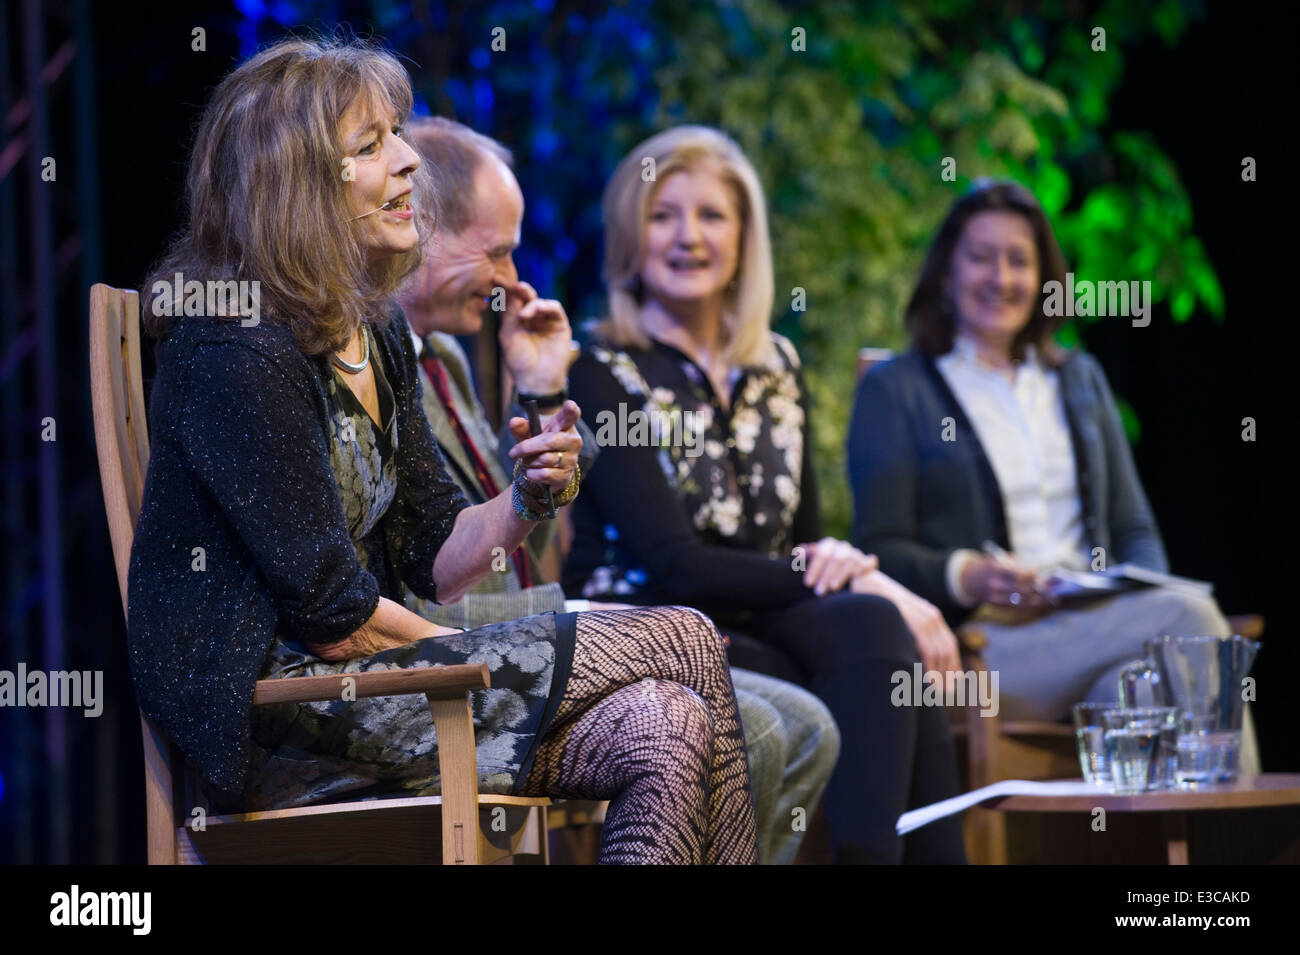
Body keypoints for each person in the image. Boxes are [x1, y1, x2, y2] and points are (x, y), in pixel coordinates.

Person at [127, 37, 757, 864]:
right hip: (283, 721)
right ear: (299, 185)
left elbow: (434, 554)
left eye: (396, 134)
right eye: (371, 146)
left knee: (671, 723)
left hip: (390, 690)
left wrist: (527, 499)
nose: (407, 162)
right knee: (682, 635)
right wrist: (476, 651)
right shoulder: (235, 349)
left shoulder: (377, 326)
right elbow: (335, 621)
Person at [395, 115, 839, 864]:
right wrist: (576, 609)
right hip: (453, 664)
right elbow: (425, 585)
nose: (511, 278)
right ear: (422, 229)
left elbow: (513, 546)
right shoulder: (366, 364)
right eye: (497, 251)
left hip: (525, 631)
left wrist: (537, 392)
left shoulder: (448, 357)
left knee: (810, 720)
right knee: (751, 714)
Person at [564, 125, 967, 863]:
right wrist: (868, 574)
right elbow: (674, 561)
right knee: (872, 636)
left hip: (760, 615)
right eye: (664, 215)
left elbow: (802, 541)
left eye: (712, 215)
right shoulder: (599, 371)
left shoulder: (776, 362)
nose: (689, 236)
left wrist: (872, 588)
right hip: (656, 624)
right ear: (630, 235)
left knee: (874, 629)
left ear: (745, 237)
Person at [846, 179, 1260, 772]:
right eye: (981, 257)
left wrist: (1134, 601)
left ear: (1043, 278)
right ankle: (1249, 835)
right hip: (987, 651)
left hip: (1093, 629)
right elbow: (878, 549)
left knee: (1140, 687)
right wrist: (969, 575)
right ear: (945, 274)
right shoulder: (898, 390)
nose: (1002, 277)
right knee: (1190, 618)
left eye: (1019, 260)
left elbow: (1135, 529)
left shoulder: (1079, 380)